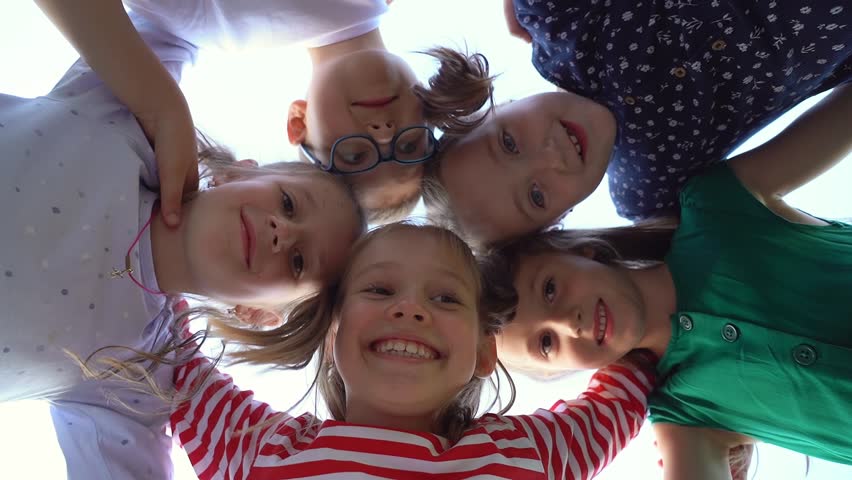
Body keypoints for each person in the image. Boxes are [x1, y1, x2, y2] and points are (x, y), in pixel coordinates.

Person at [0, 7, 365, 477]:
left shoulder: (136, 376)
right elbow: (186, 17)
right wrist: (361, 19)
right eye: (289, 204)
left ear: (259, 313)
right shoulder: (129, 115)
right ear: (242, 171)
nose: (283, 231)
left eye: (298, 262)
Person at [489, 83, 852, 476]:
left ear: (579, 252)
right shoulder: (683, 416)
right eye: (546, 343)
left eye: (549, 289)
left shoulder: (715, 206)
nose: (566, 323)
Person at [170, 223, 657, 479]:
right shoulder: (260, 450)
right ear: (332, 330)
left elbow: (631, 381)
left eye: (445, 299)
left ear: (485, 353)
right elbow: (160, 340)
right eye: (379, 290)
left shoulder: (530, 453)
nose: (410, 309)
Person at [423, 0, 852, 246]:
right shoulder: (649, 190)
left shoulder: (560, 21)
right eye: (536, 196)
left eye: (510, 144)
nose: (548, 157)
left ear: (498, 108)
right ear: (560, 219)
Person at [120, 0, 495, 223]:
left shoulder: (216, 25)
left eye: (354, 154)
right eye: (409, 146)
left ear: (298, 121)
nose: (382, 131)